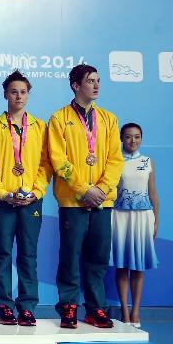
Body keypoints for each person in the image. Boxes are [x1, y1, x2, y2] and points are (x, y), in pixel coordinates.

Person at [48, 64, 124, 329]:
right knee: (70, 256)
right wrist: (83, 189)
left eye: (98, 80)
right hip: (73, 200)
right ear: (76, 85)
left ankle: (95, 309)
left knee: (98, 257)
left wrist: (101, 190)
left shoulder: (109, 119)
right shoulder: (59, 119)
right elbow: (59, 160)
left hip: (103, 201)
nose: (96, 85)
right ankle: (68, 307)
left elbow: (116, 159)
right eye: (90, 81)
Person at [0, 70, 51, 327]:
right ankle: (3, 306)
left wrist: (36, 191)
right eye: (13, 92)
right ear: (5, 95)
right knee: (2, 254)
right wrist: (5, 193)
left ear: (28, 95)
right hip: (3, 202)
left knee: (28, 255)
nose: (18, 96)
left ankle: (27, 306)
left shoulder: (40, 127)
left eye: (23, 92)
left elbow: (46, 164)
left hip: (31, 201)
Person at [111, 122, 159, 328]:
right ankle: (124, 310)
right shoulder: (115, 161)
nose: (133, 140)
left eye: (137, 136)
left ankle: (136, 310)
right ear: (121, 138)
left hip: (143, 218)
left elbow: (153, 193)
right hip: (120, 217)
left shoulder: (148, 161)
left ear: (141, 138)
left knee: (138, 267)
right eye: (129, 136)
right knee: (122, 266)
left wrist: (156, 220)